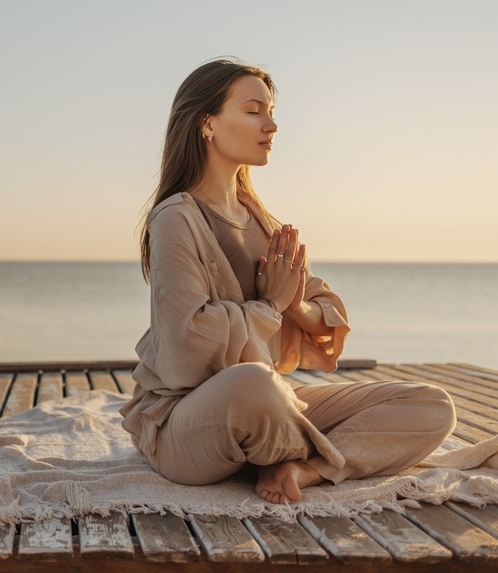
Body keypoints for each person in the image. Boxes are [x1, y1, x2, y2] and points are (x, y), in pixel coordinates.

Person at [120, 59, 456, 504]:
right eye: (254, 110)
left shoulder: (259, 217)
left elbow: (320, 307)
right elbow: (187, 341)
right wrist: (270, 307)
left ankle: (305, 468)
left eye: (271, 111)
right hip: (189, 418)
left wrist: (293, 305)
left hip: (269, 404)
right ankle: (326, 447)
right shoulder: (175, 218)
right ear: (207, 123)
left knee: (432, 405)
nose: (272, 124)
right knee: (254, 385)